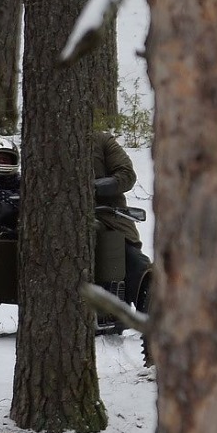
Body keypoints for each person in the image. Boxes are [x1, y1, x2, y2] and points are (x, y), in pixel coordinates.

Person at [91, 131, 149, 306]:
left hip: (107, 217)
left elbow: (127, 174)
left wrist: (96, 187)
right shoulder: (44, 142)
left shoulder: (101, 140)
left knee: (137, 265)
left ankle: (150, 304)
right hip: (53, 222)